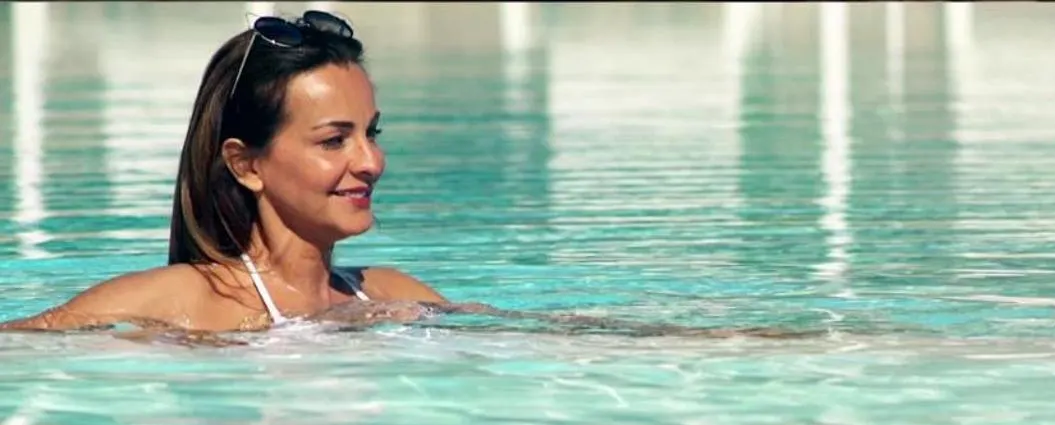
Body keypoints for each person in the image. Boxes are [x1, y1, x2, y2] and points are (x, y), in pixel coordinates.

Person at [0, 11, 807, 340]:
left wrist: (757, 340)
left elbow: (564, 336)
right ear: (244, 163)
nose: (371, 162)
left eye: (372, 133)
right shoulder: (182, 302)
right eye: (333, 140)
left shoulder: (386, 296)